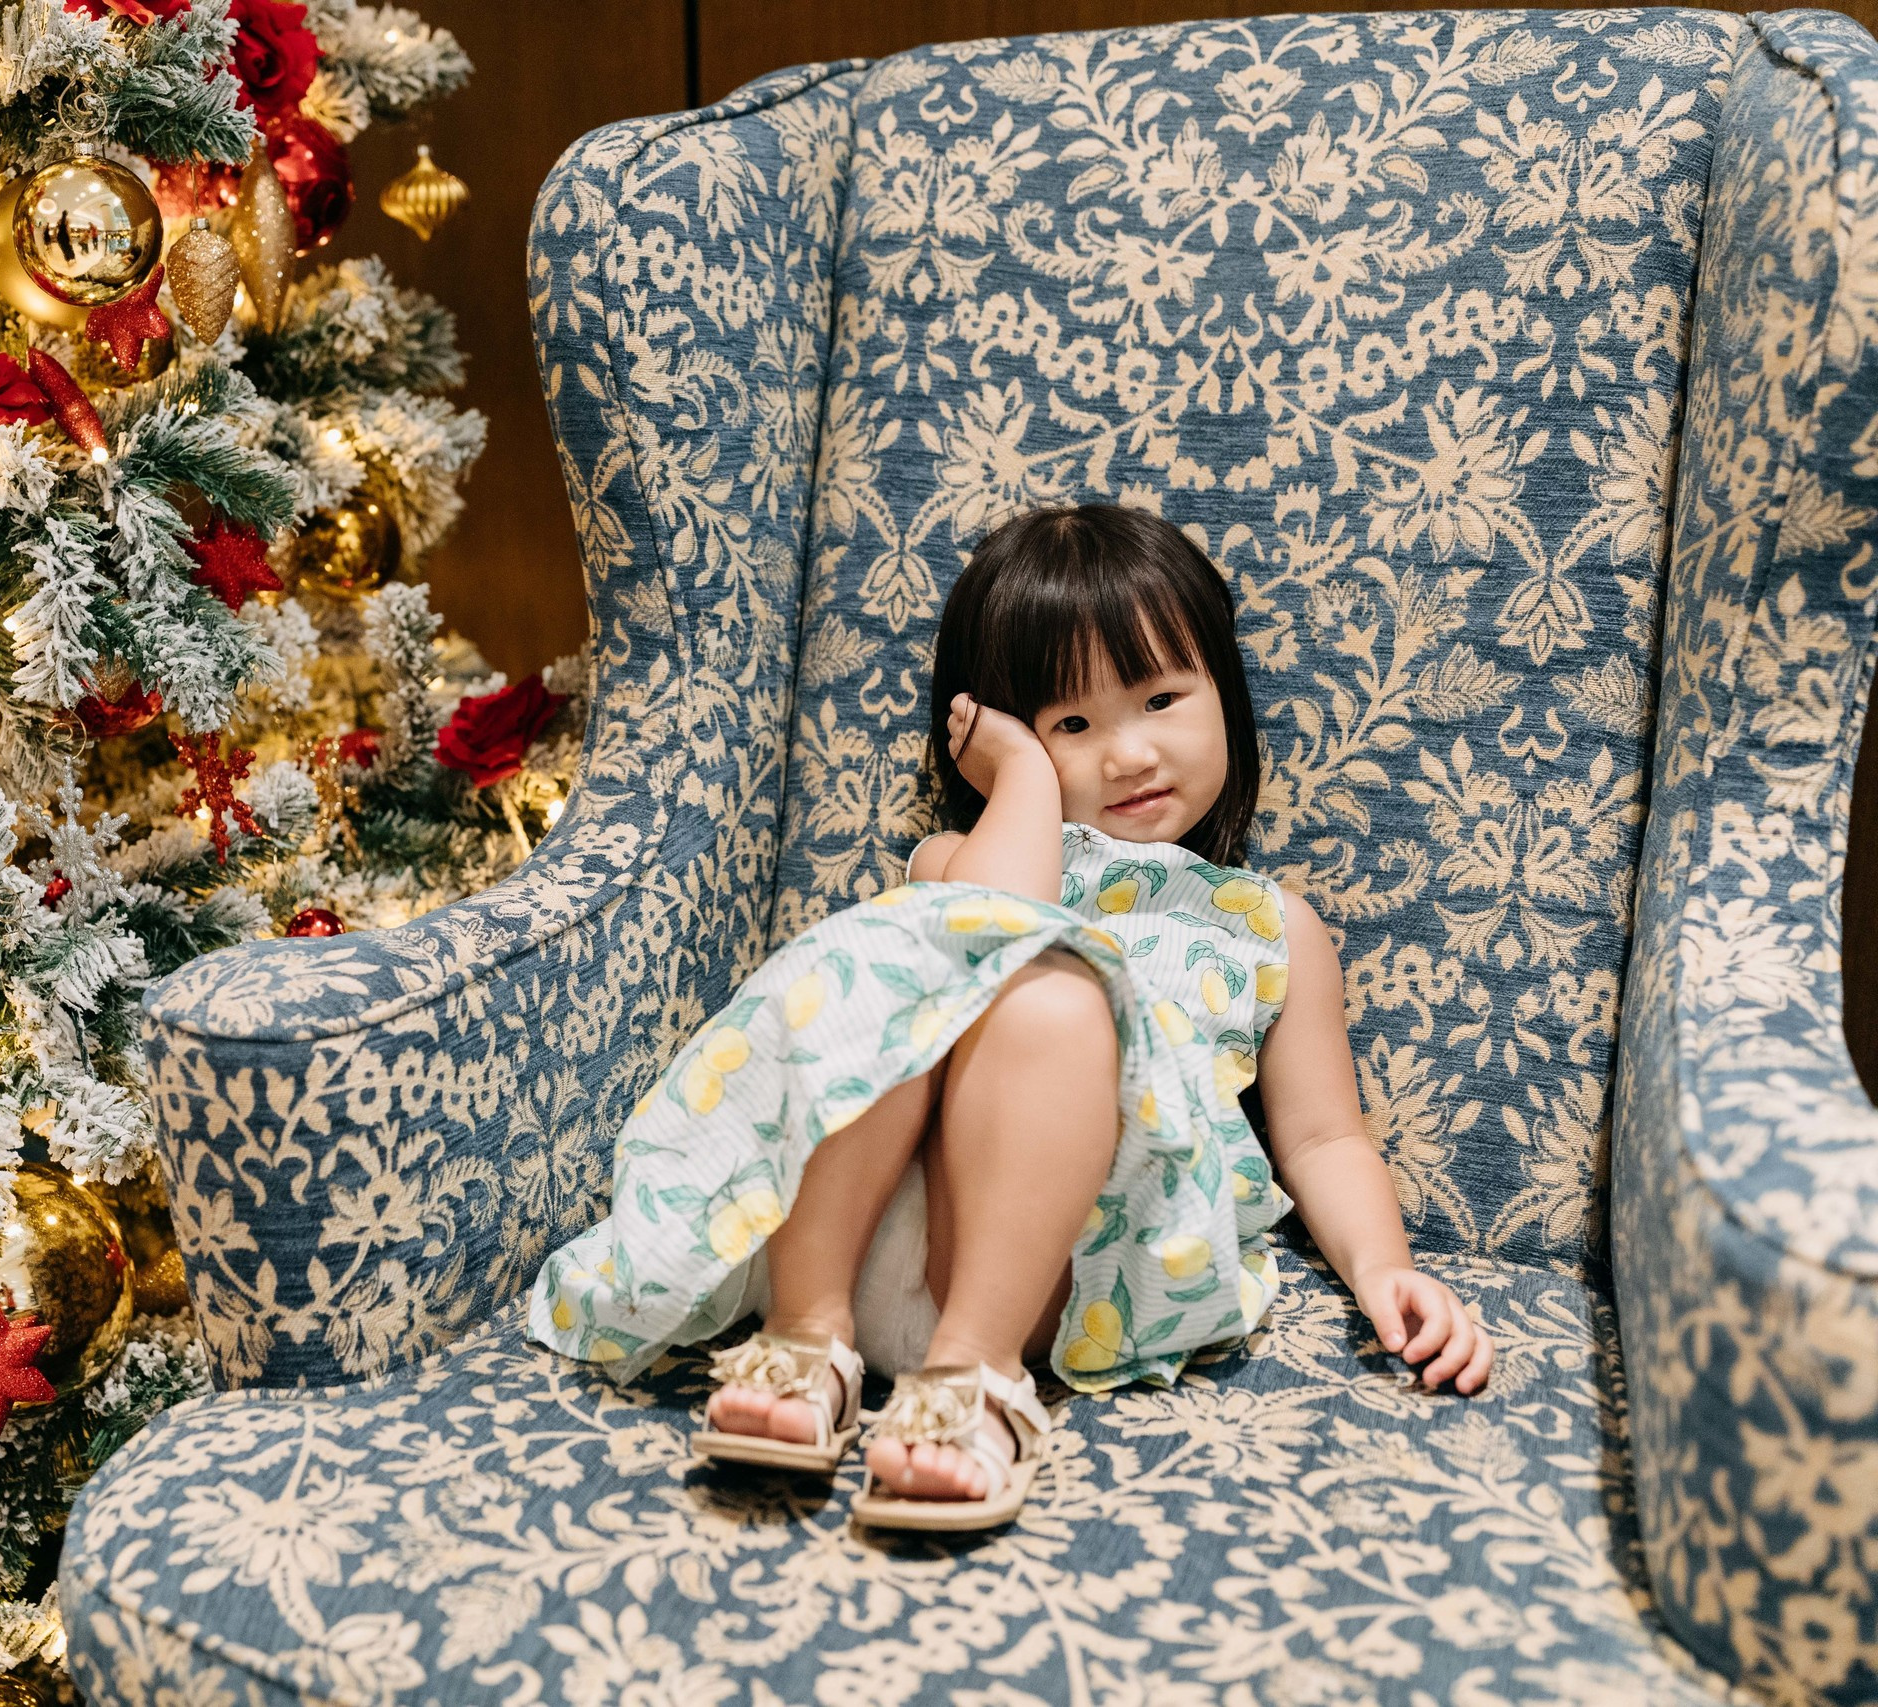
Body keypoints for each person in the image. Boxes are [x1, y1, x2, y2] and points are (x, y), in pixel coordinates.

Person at [528, 505, 1493, 1534]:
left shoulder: (1268, 928)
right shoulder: (960, 858)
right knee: (916, 948)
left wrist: (1384, 1267)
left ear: (1226, 695)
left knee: (1059, 1001)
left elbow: (1322, 1135)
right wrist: (1024, 786)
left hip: (1068, 1265)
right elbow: (994, 921)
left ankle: (974, 1378)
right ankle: (806, 1340)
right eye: (1069, 726)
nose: (1126, 754)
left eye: (1162, 697)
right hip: (859, 1230)